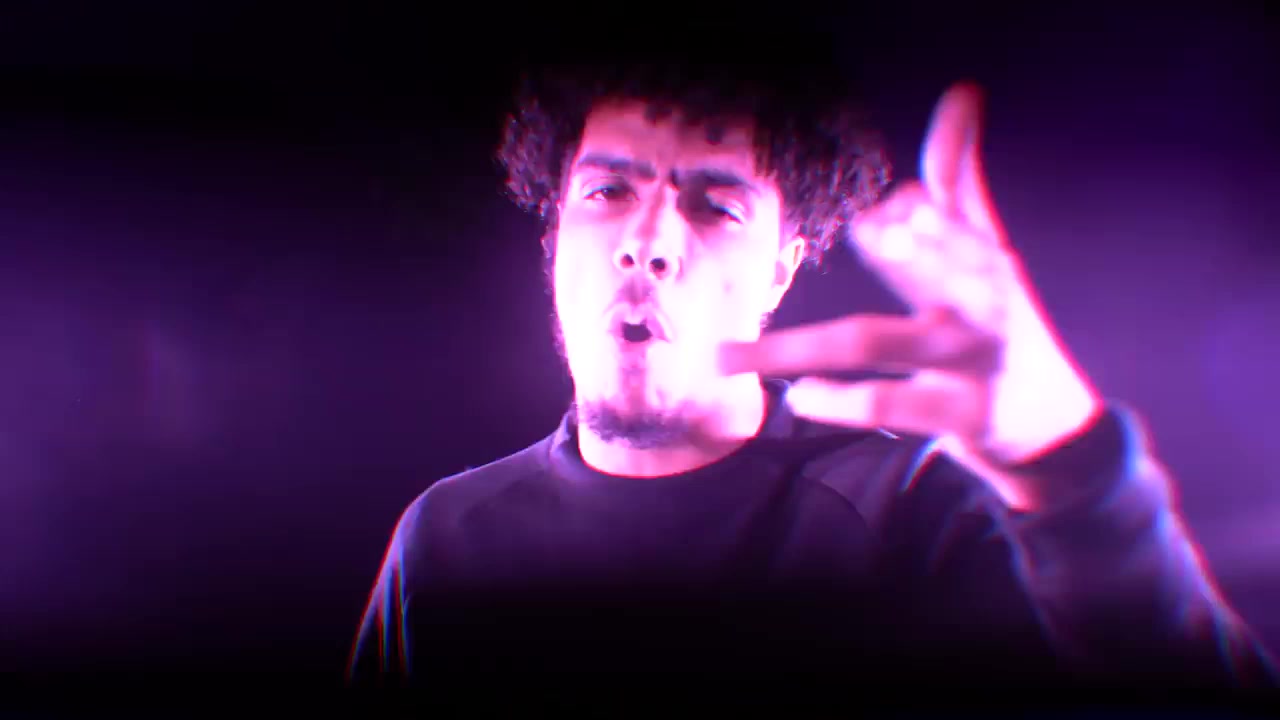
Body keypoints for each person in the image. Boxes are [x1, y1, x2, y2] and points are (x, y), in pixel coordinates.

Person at [347, 51, 1275, 700]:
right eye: (608, 192)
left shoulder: (923, 513)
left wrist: (1068, 468)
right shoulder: (446, 539)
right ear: (555, 238)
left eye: (715, 207)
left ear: (782, 271)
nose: (649, 242)